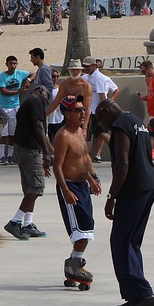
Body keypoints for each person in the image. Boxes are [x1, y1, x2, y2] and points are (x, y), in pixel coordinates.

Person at [95, 98, 154, 306]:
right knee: (132, 241)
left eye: (100, 118)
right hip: (149, 185)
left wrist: (112, 196)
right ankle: (137, 296)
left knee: (121, 241)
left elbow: (123, 163)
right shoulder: (135, 121)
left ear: (106, 111)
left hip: (133, 189)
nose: (101, 124)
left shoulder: (120, 125)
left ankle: (143, 294)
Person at [53, 94, 102, 287]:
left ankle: (74, 264)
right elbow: (58, 166)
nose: (82, 113)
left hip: (82, 185)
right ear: (66, 113)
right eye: (77, 110)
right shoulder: (63, 136)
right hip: (70, 186)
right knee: (81, 229)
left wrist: (91, 179)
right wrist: (65, 190)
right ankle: (74, 264)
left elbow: (84, 158)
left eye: (83, 109)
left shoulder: (81, 132)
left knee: (88, 225)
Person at [4, 84, 52, 240]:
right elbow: (38, 126)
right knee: (37, 187)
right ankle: (15, 221)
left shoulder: (27, 102)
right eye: (47, 97)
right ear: (41, 91)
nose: (46, 101)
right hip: (30, 150)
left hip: (22, 148)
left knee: (30, 187)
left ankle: (28, 223)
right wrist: (46, 153)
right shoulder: (36, 102)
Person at [81, 57, 119, 162]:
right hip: (92, 111)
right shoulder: (88, 77)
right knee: (94, 134)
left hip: (96, 112)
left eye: (87, 66)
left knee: (98, 134)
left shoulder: (98, 78)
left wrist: (104, 112)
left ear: (94, 66)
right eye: (84, 66)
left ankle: (118, 149)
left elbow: (103, 97)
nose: (86, 68)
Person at [0, 55, 30, 165]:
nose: (13, 66)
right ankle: (2, 156)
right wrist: (18, 91)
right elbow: (3, 91)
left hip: (15, 107)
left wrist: (28, 80)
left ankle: (10, 156)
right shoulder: (2, 76)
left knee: (13, 133)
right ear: (6, 64)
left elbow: (34, 73)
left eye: (15, 63)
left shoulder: (20, 73)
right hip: (3, 107)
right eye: (11, 63)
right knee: (3, 133)